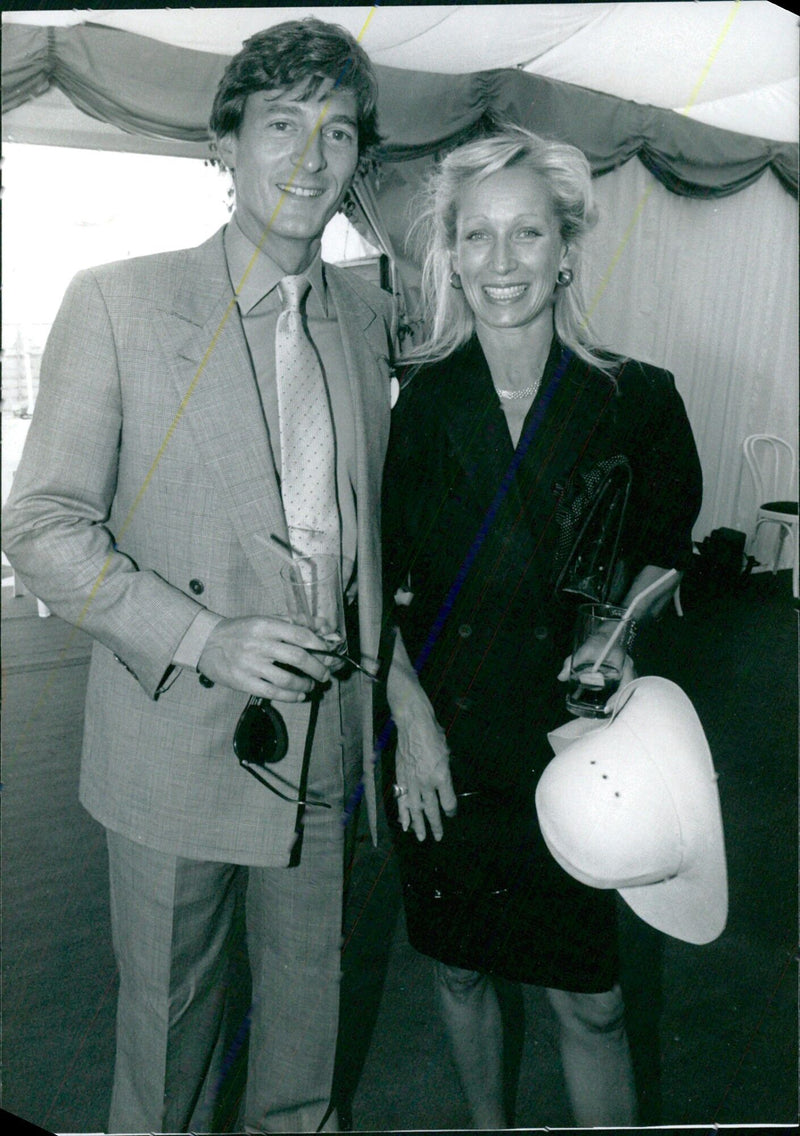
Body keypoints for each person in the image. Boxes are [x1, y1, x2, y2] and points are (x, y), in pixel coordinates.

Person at [3, 18, 394, 1134]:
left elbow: (369, 534)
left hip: (323, 743)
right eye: (282, 125)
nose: (311, 156)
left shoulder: (366, 320)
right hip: (171, 744)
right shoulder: (119, 302)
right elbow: (39, 524)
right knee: (170, 1047)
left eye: (338, 132)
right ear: (224, 145)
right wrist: (201, 635)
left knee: (305, 1051)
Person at [381, 125, 702, 1128]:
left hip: (577, 740)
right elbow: (374, 581)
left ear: (565, 247)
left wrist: (620, 634)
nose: (500, 262)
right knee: (461, 974)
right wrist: (408, 719)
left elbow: (665, 552)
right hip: (445, 740)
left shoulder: (635, 397)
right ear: (449, 254)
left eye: (526, 234)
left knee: (591, 1001)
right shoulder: (421, 402)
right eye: (475, 236)